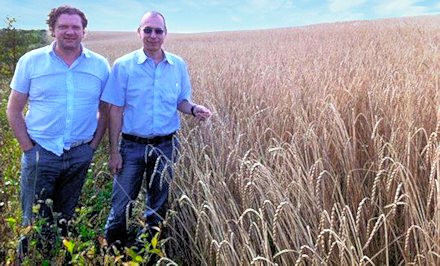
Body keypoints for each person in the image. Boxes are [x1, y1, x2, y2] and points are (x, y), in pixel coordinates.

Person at [101, 11, 212, 248]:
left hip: (166, 146)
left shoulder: (177, 65)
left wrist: (193, 109)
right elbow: (115, 110)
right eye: (148, 30)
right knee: (121, 203)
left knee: (158, 204)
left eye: (158, 30)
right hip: (131, 146)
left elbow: (180, 101)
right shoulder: (124, 65)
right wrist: (114, 151)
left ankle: (150, 250)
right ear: (139, 32)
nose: (153, 35)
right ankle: (112, 250)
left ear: (165, 33)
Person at [6, 5, 110, 255]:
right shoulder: (31, 61)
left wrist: (92, 147)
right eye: (63, 26)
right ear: (52, 30)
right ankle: (29, 258)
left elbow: (105, 110)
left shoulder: (100, 65)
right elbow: (14, 109)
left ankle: (56, 258)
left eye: (76, 27)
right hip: (41, 152)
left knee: (65, 217)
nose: (70, 32)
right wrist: (29, 150)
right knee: (31, 221)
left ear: (84, 31)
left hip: (78, 155)